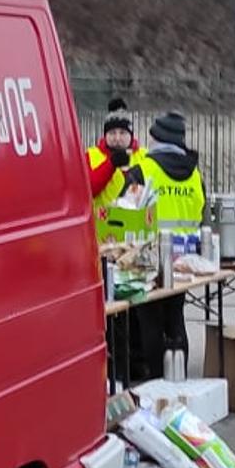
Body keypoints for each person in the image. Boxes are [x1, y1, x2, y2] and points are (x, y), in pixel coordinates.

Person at [124, 112, 204, 381]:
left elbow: (125, 214)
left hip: (148, 258)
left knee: (149, 322)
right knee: (175, 317)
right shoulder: (194, 174)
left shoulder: (142, 171)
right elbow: (202, 213)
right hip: (185, 258)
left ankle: (158, 380)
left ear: (156, 138)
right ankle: (179, 379)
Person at [87, 98, 143, 230]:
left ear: (131, 135)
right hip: (100, 229)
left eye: (122, 133)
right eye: (112, 133)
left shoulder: (143, 156)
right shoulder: (91, 155)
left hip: (135, 229)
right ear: (105, 135)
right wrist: (110, 164)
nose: (117, 138)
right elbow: (88, 190)